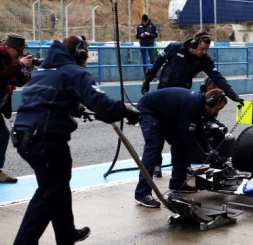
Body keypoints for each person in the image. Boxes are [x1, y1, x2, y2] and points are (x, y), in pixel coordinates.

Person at [11, 35, 141, 244]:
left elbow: (48, 98)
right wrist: (125, 109)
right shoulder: (73, 72)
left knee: (58, 184)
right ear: (79, 54)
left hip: (25, 136)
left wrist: (76, 108)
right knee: (49, 191)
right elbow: (101, 102)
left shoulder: (45, 69)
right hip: (46, 140)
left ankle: (65, 233)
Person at [141, 30, 244, 177]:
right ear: (194, 44)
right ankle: (157, 164)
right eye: (202, 48)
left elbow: (217, 77)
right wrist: (147, 80)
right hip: (164, 96)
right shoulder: (174, 47)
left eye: (206, 50)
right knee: (158, 132)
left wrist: (235, 97)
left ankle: (184, 165)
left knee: (182, 135)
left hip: (183, 100)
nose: (203, 52)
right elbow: (157, 63)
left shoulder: (204, 59)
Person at [134, 87, 228, 208]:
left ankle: (178, 183)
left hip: (166, 114)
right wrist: (203, 154)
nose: (217, 113)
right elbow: (188, 136)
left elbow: (199, 133)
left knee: (180, 144)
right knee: (155, 146)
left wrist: (211, 151)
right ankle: (142, 193)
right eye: (217, 109)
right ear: (210, 102)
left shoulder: (198, 106)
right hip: (149, 110)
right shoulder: (192, 105)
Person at [0, 34, 33, 183]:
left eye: (22, 51)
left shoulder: (12, 61)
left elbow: (19, 82)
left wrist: (27, 70)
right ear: (7, 47)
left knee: (2, 135)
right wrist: (19, 64)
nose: (20, 54)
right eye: (18, 50)